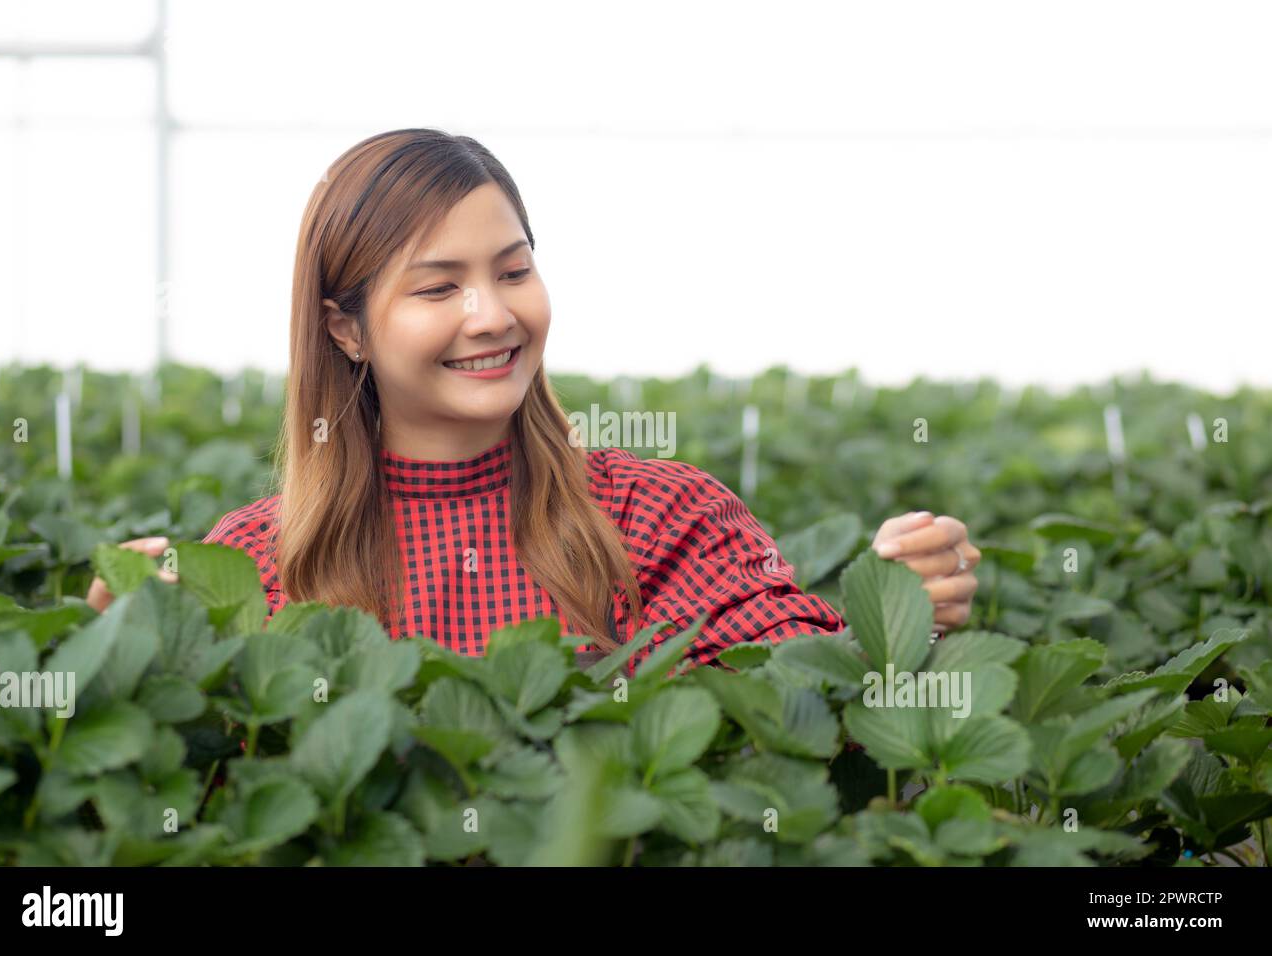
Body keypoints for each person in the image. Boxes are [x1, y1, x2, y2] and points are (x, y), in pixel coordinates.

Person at [87, 128, 981, 674]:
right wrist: (118, 657)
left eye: (514, 271)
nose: (492, 315)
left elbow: (789, 677)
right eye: (439, 289)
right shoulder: (251, 564)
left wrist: (895, 612)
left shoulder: (661, 515)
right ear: (346, 329)